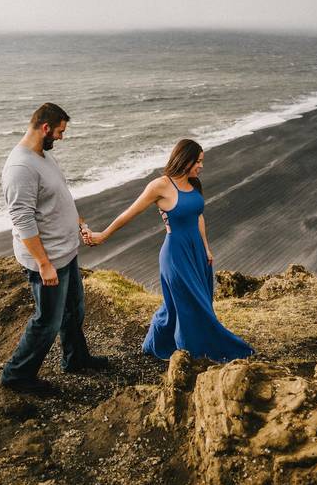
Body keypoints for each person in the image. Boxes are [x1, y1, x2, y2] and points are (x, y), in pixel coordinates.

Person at [87, 139, 254, 362]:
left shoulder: (194, 183)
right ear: (185, 159)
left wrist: (206, 248)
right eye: (199, 161)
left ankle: (158, 343)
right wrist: (103, 235)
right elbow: (129, 213)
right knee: (188, 304)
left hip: (196, 253)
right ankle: (190, 355)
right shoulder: (160, 185)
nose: (201, 166)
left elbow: (198, 216)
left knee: (185, 304)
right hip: (175, 255)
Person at [0, 102, 109, 394]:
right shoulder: (20, 166)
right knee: (47, 321)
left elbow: (60, 198)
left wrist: (80, 225)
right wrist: (43, 263)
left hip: (66, 251)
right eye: (59, 132)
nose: (61, 137)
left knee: (74, 309)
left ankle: (76, 358)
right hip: (48, 259)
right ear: (45, 128)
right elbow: (22, 219)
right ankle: (17, 375)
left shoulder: (42, 156)